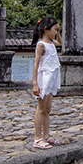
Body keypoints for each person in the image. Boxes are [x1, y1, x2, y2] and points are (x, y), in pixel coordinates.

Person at [31, 17, 62, 149]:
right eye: (54, 30)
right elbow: (36, 64)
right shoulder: (41, 45)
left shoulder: (51, 43)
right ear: (46, 29)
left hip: (52, 77)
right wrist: (35, 83)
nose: (55, 33)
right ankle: (38, 138)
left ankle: (46, 135)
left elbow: (60, 43)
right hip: (44, 77)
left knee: (47, 109)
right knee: (41, 109)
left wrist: (59, 31)